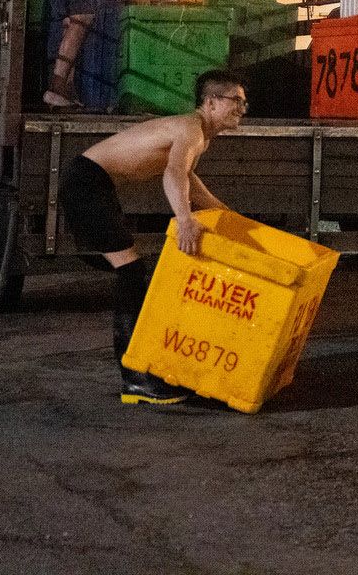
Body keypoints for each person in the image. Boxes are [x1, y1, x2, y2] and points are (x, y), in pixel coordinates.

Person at [57, 68, 249, 405]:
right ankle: (135, 378)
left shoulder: (198, 134)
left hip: (94, 185)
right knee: (131, 272)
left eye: (244, 103)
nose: (242, 109)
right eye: (236, 101)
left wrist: (228, 216)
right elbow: (173, 174)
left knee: (133, 273)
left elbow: (188, 178)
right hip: (85, 183)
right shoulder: (190, 129)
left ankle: (143, 369)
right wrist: (185, 220)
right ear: (212, 102)